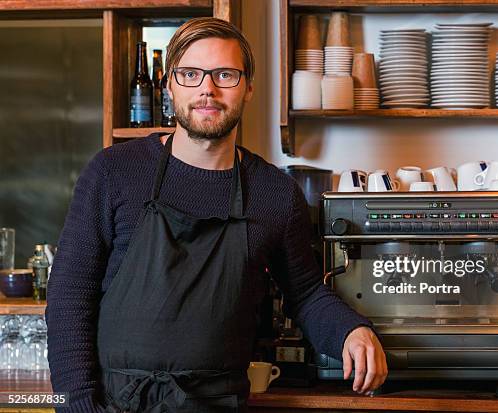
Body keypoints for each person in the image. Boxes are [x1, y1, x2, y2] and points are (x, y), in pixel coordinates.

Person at [46, 17, 387, 413]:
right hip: (113, 403)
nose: (207, 89)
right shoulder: (113, 173)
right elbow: (69, 294)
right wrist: (76, 405)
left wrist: (352, 330)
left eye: (224, 74)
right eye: (191, 74)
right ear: (170, 84)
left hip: (217, 403)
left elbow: (305, 293)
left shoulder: (274, 193)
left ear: (248, 87)